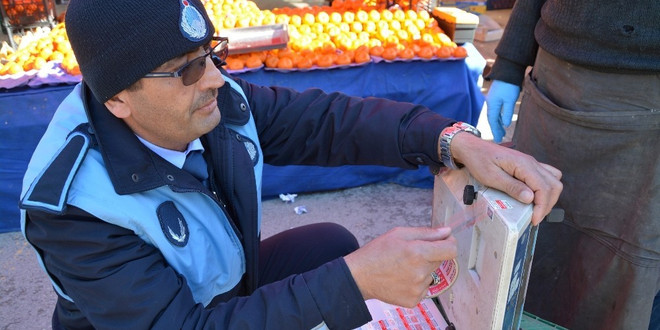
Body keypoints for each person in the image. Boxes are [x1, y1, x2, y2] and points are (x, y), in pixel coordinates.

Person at [19, 0, 562, 328]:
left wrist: (452, 141)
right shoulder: (72, 206)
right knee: (344, 274)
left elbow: (328, 122)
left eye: (212, 52)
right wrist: (355, 282)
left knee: (326, 246)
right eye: (184, 70)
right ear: (118, 100)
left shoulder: (213, 99)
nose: (212, 78)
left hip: (217, 287)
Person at [485, 1, 660, 329]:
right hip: (553, 80)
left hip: (647, 100)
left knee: (623, 276)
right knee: (528, 238)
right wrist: (509, 63)